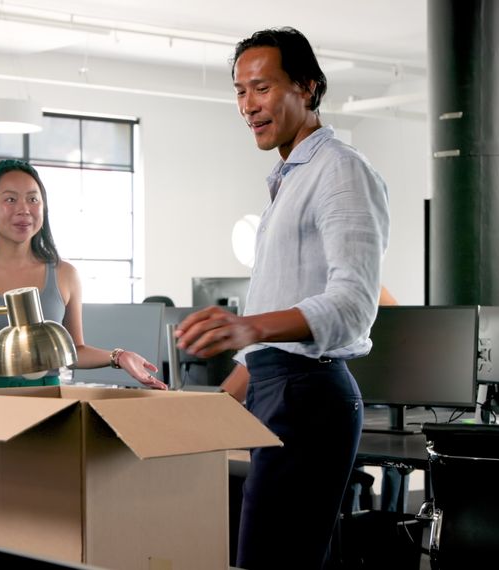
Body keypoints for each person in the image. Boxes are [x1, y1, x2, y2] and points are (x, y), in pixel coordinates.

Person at [175, 28, 389, 568]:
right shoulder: (289, 179)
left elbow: (353, 306)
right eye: (240, 91)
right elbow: (276, 326)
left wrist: (250, 327)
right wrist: (224, 398)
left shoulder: (340, 170)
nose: (248, 105)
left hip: (311, 399)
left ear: (307, 88)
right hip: (278, 389)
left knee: (270, 562)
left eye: (262, 88)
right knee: (262, 557)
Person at [0, 159, 166, 391]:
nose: (24, 209)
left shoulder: (65, 274)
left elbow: (74, 352)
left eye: (33, 199)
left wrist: (120, 356)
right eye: (10, 199)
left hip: (46, 398)